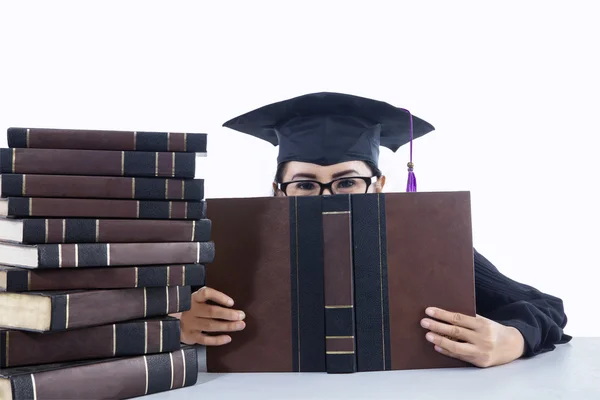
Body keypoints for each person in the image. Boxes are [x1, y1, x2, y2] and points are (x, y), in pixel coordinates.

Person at [174, 92, 571, 369]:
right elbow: (131, 320)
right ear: (278, 191)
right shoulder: (229, 246)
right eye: (306, 185)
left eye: (347, 182)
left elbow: (546, 308)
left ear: (379, 186)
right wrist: (178, 325)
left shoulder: (426, 244)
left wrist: (512, 341)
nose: (327, 197)